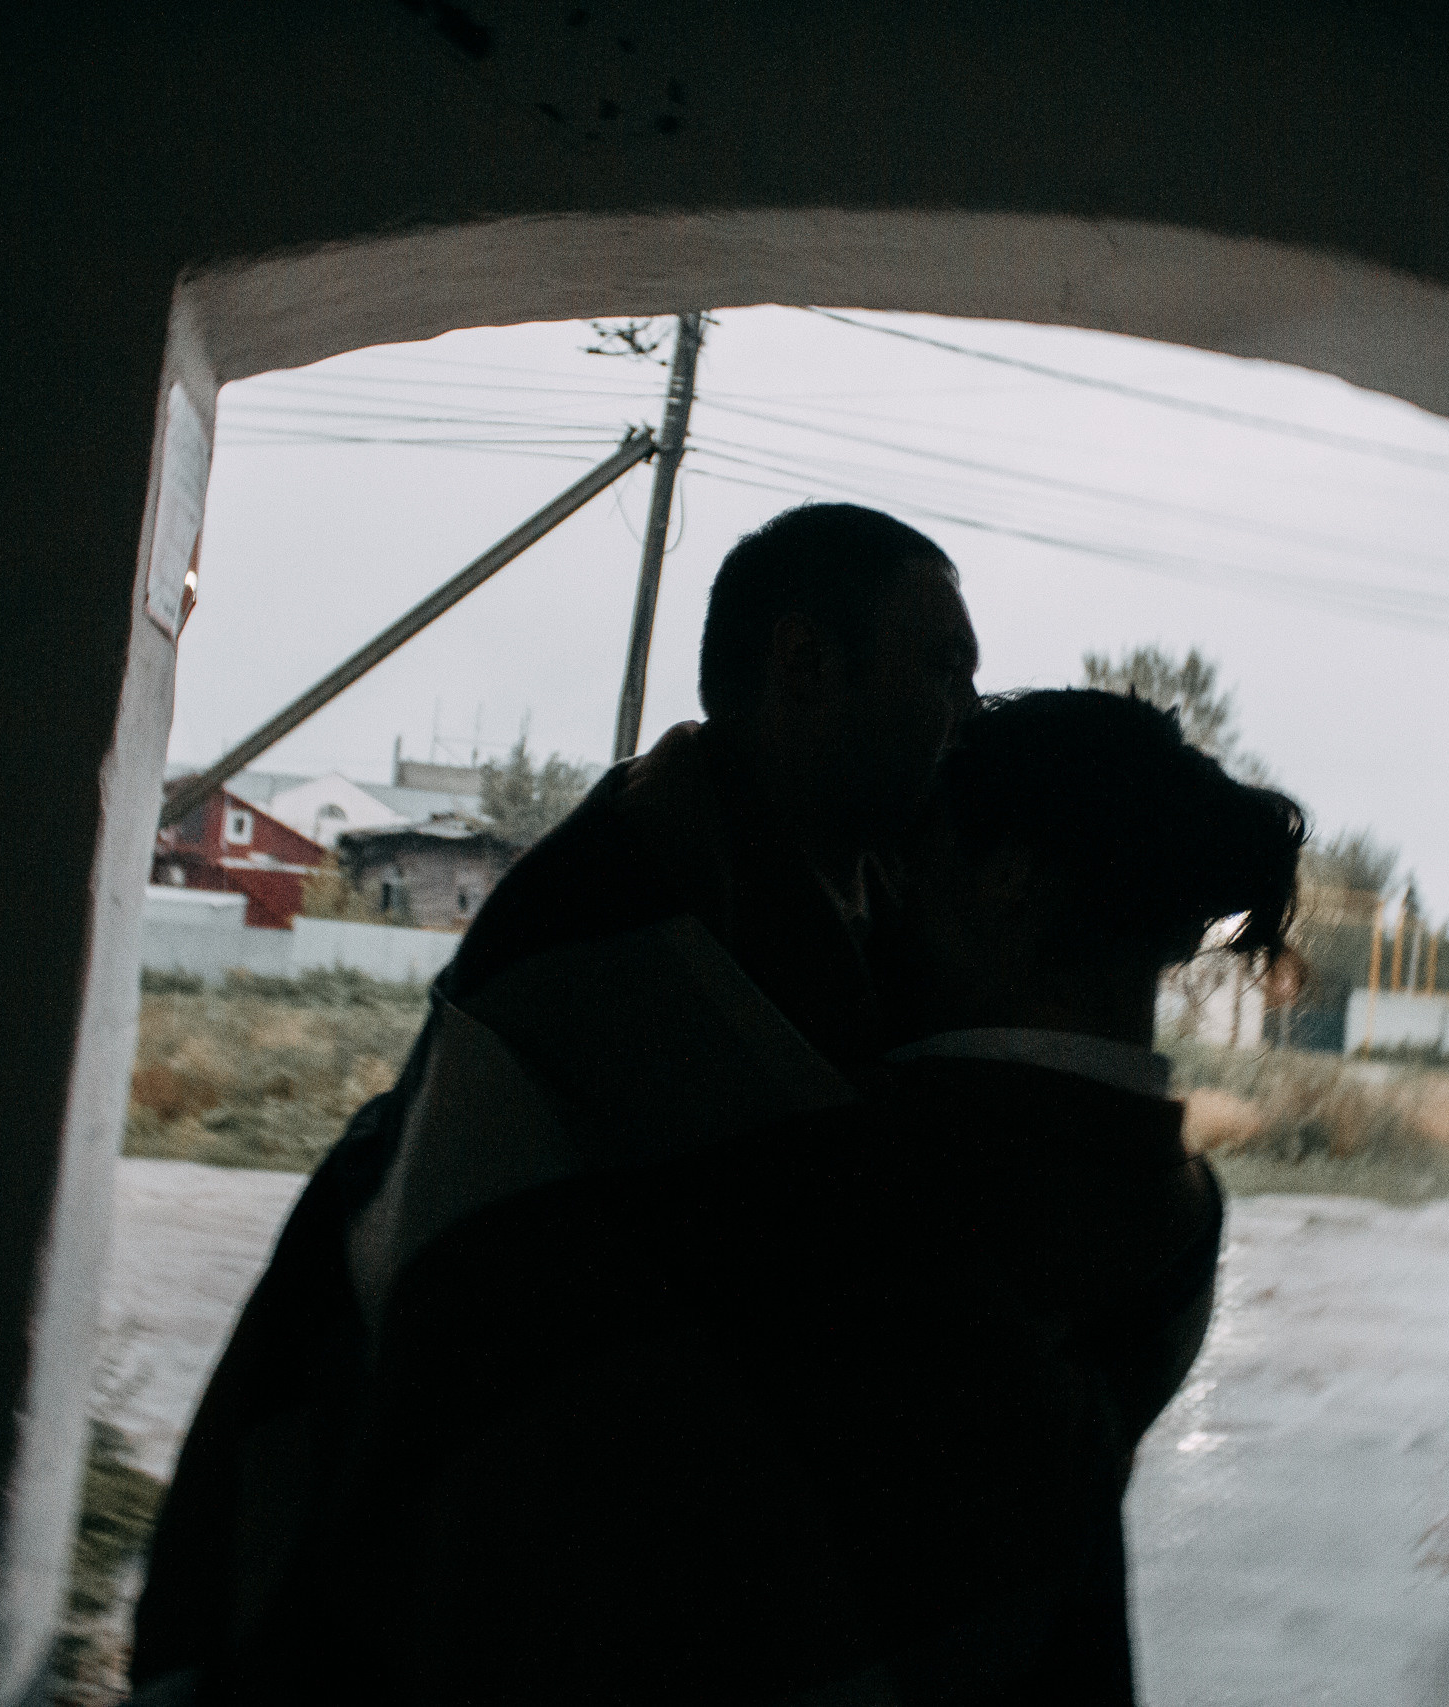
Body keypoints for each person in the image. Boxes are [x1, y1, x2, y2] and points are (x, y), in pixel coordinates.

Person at [130, 504, 979, 1702]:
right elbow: (823, 1244)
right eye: (942, 668)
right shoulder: (619, 898)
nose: (967, 714)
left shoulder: (868, 895)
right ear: (804, 664)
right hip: (499, 1551)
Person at [316, 690, 1306, 1705]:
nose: (878, 895)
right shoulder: (1178, 1203)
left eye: (910, 857)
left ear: (1007, 882)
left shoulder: (854, 1166)